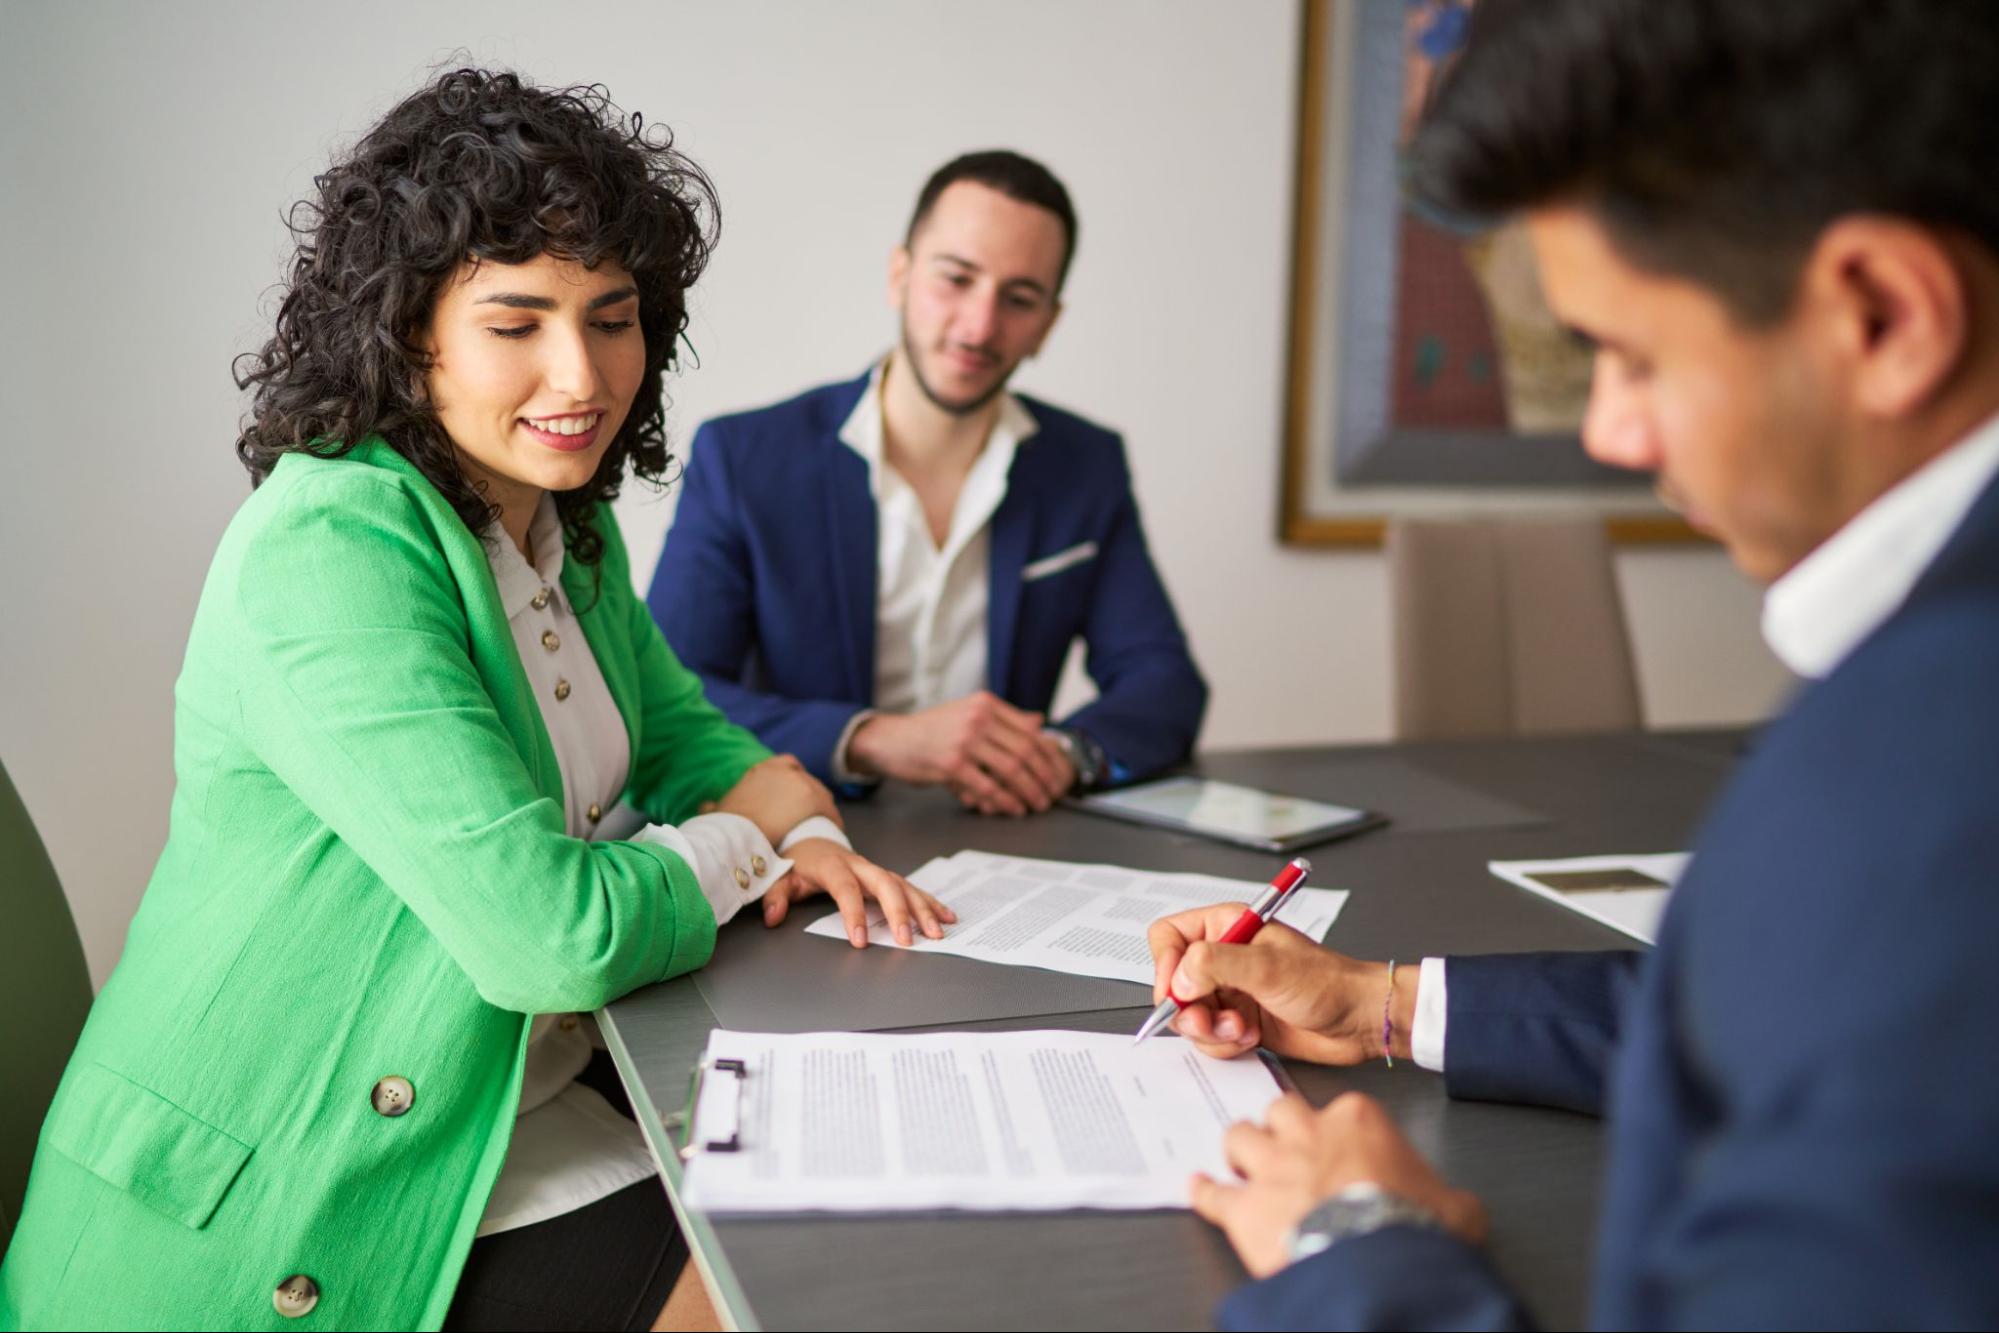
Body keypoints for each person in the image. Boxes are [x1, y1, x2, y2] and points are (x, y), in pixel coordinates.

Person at [0, 69, 951, 1332]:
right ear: (409, 333)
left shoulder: (568, 522)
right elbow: (547, 939)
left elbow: (680, 735)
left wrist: (811, 831)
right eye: (519, 323)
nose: (583, 374)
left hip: (504, 1105)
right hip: (277, 1189)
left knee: (866, 1233)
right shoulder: (328, 544)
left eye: (612, 318)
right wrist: (740, 839)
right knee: (801, 1298)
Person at [1146, 1, 1999, 1327]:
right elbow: (1774, 1023)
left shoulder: (1925, 779)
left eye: (1624, 352)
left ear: (1883, 314)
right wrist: (1380, 1003)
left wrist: (1362, 1255)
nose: (1602, 430)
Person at [646, 150, 1207, 817]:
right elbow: (666, 696)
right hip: (808, 831)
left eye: (1019, 298)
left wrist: (1064, 755)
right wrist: (872, 738)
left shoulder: (1084, 464)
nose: (978, 325)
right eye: (956, 278)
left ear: (1048, 324)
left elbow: (1163, 681)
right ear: (900, 275)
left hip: (1010, 841)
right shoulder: (745, 457)